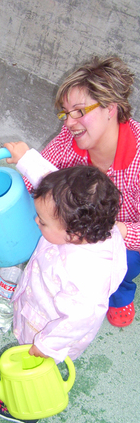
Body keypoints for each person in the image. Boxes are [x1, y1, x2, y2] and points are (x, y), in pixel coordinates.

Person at [0, 145, 127, 423]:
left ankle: (29, 407)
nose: (36, 221)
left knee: (37, 365)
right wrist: (26, 158)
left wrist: (46, 346)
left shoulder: (85, 273)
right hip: (44, 297)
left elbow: (81, 318)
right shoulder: (87, 218)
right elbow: (55, 183)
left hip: (49, 326)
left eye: (42, 222)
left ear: (74, 233)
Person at [20, 55, 139, 327]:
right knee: (41, 222)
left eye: (80, 111)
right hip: (76, 226)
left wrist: (118, 232)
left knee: (122, 264)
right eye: (66, 113)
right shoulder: (68, 139)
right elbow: (36, 183)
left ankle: (121, 291)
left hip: (121, 235)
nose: (69, 123)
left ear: (111, 107)